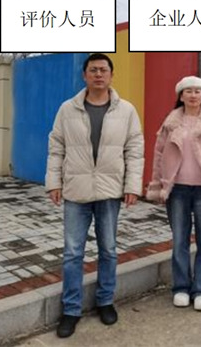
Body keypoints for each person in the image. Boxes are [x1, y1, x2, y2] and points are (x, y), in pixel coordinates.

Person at [46, 53, 144, 338]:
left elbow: (134, 150)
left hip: (110, 191)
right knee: (72, 253)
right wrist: (53, 182)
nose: (98, 74)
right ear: (85, 75)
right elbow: (56, 147)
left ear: (111, 75)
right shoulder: (68, 109)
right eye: (93, 70)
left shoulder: (126, 110)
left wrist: (132, 186)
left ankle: (105, 301)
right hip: (76, 192)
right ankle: (71, 309)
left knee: (109, 249)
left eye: (103, 70)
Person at [146, 76, 201, 311]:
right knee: (179, 241)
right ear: (181, 96)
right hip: (177, 190)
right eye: (189, 91)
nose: (193, 95)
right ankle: (181, 287)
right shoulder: (171, 122)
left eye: (197, 91)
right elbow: (159, 154)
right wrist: (158, 184)